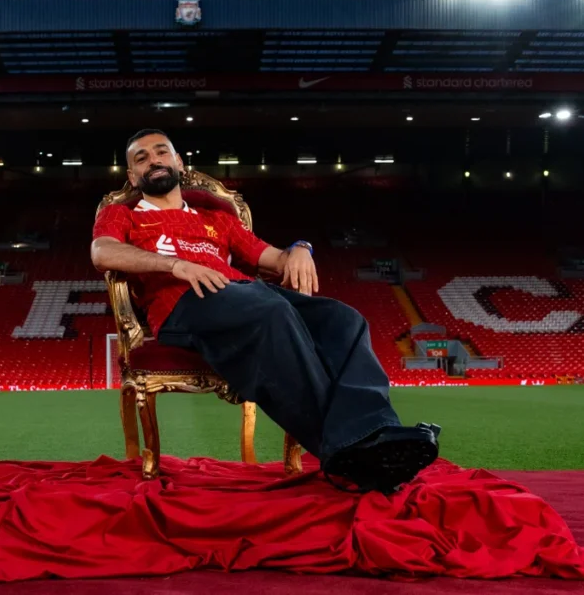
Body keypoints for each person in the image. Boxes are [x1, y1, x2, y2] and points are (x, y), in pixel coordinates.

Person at [91, 129, 440, 493]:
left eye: (161, 152)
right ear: (133, 176)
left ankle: (377, 431)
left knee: (344, 320)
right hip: (183, 304)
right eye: (142, 158)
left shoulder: (219, 219)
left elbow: (274, 259)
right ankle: (349, 448)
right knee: (272, 310)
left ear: (178, 162)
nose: (154, 160)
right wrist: (176, 265)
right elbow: (102, 252)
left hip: (245, 295)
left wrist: (301, 247)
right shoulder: (122, 214)